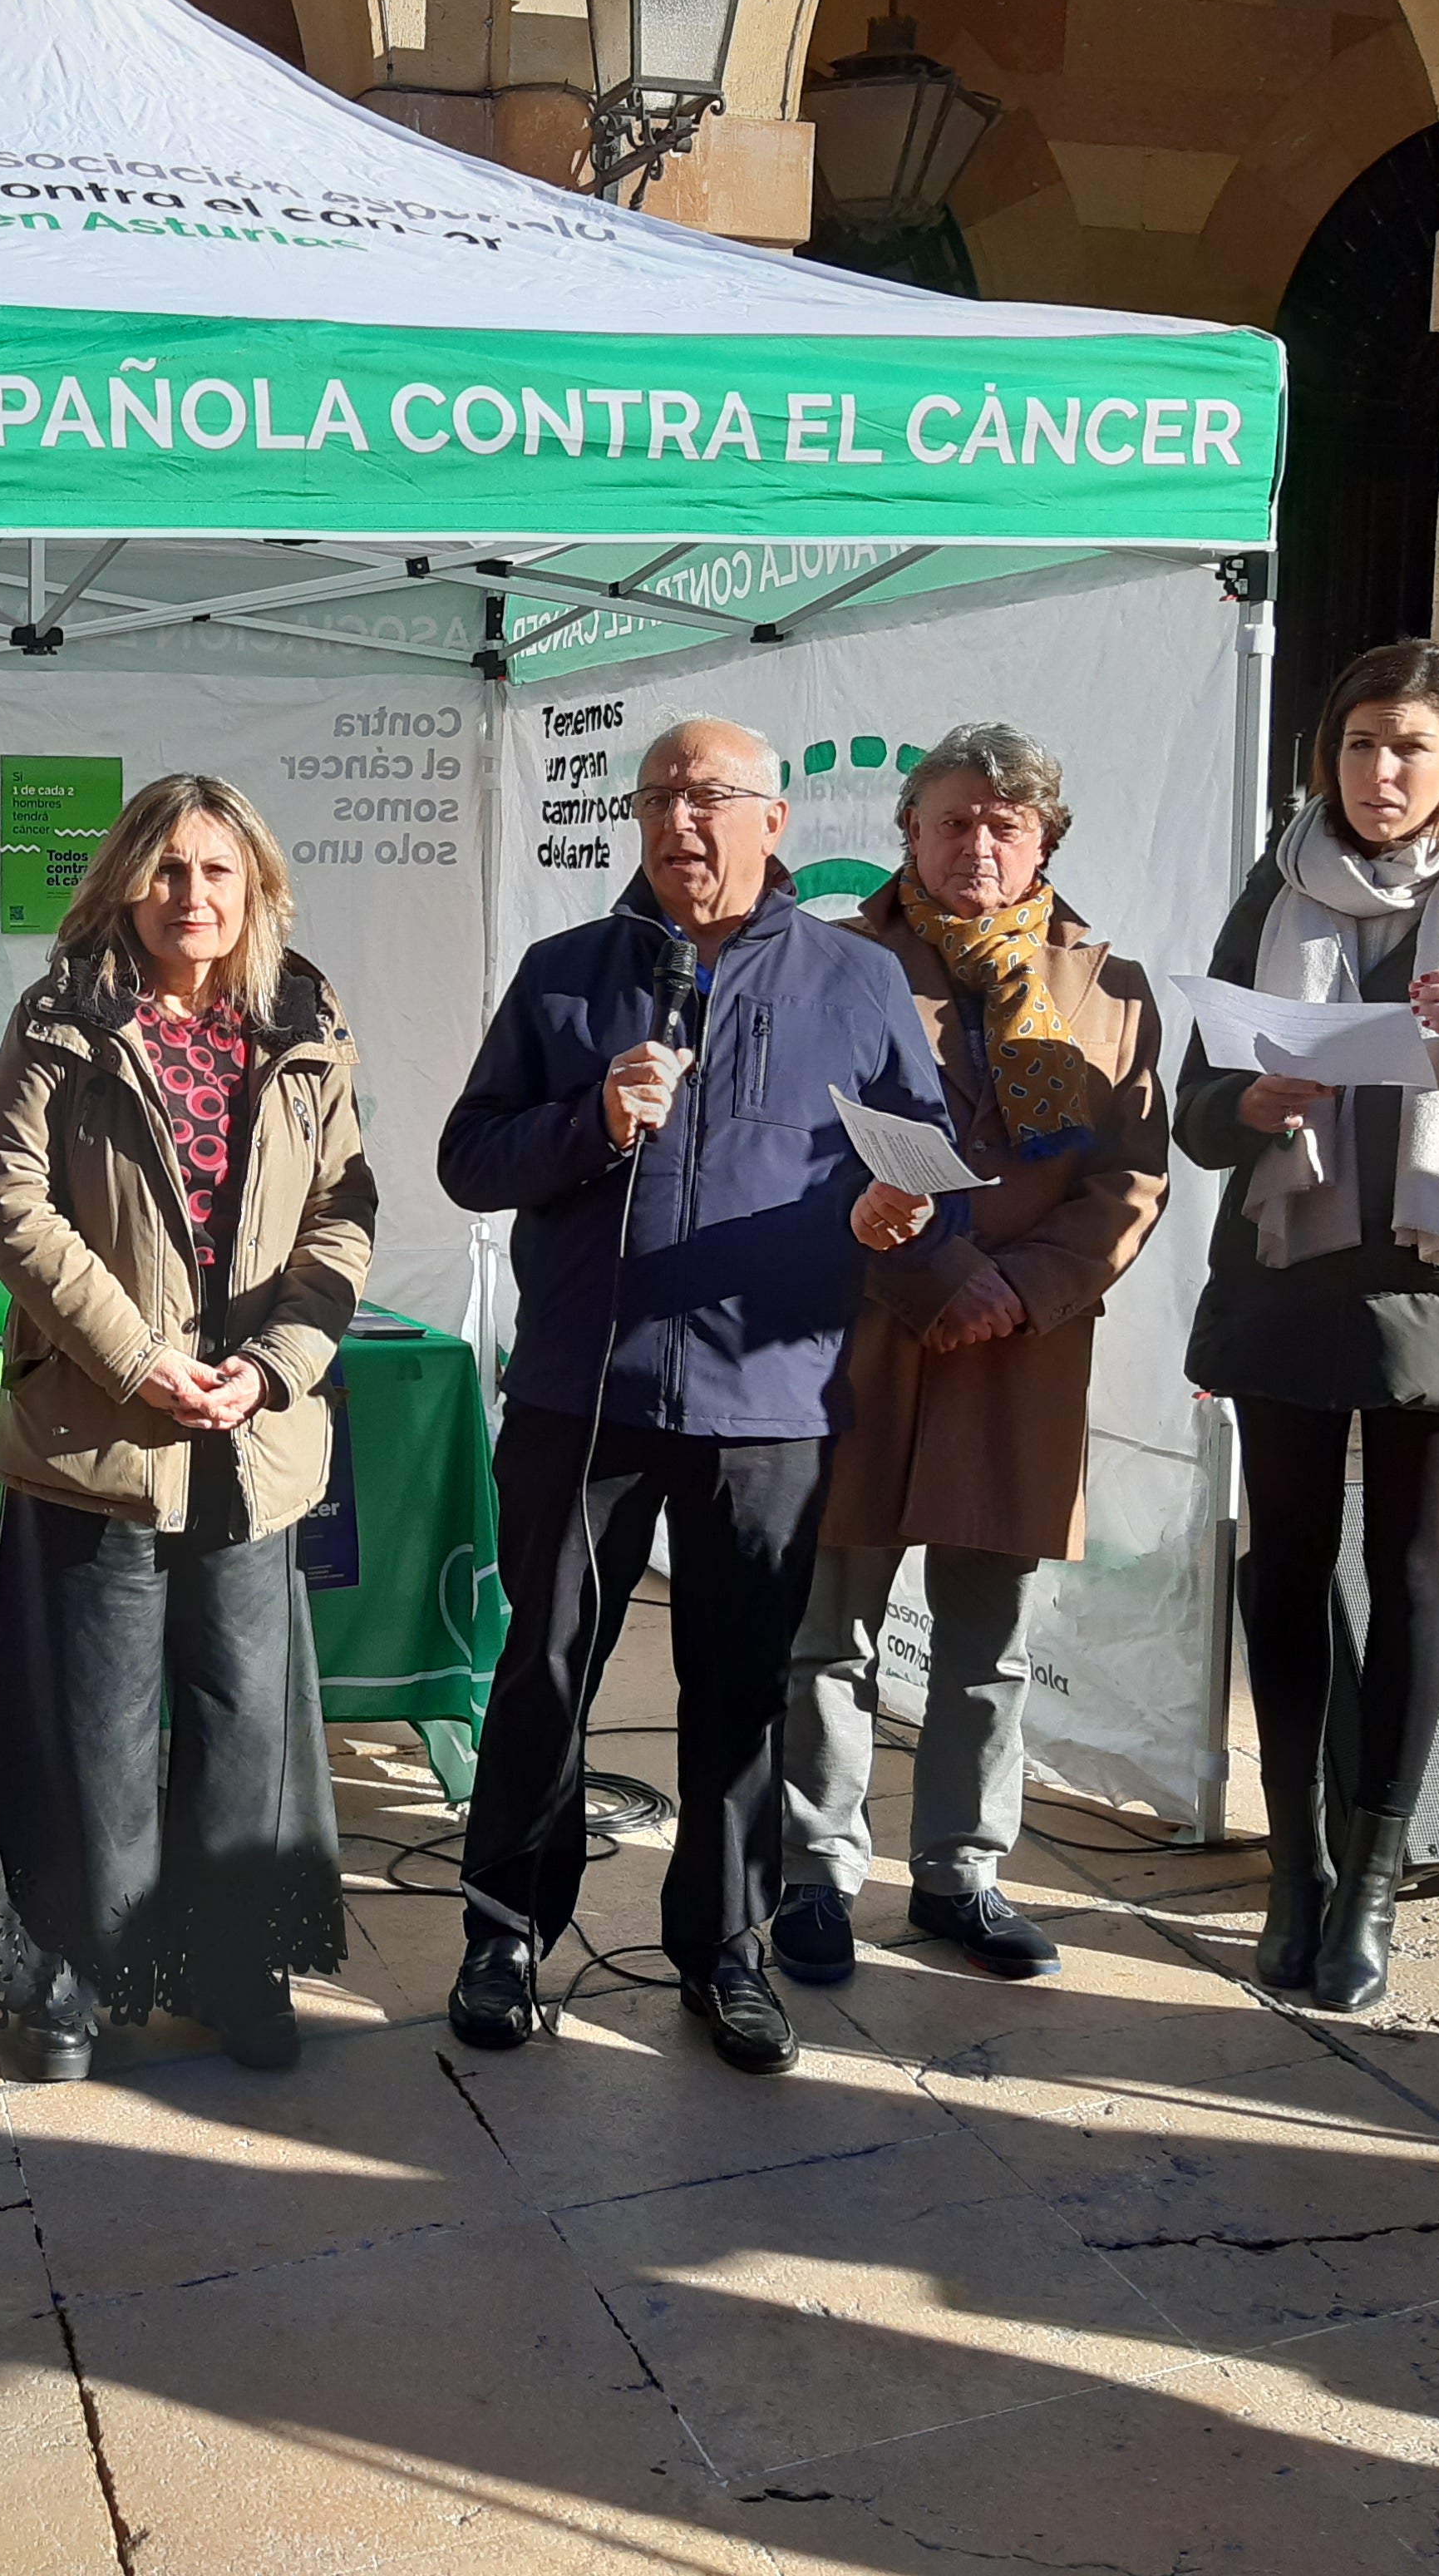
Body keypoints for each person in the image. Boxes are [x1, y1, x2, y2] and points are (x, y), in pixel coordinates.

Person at [437, 717, 949, 2074]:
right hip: (579, 1388)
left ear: (771, 820)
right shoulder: (565, 977)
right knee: (545, 1657)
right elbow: (467, 1160)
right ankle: (503, 1932)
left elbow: (922, 1161)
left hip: (767, 1394)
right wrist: (586, 1124)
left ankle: (722, 1951)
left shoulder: (857, 979)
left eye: (710, 796)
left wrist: (899, 1219)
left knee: (736, 1685)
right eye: (659, 794)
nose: (680, 820)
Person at [1176, 640, 1439, 2016]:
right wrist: (1246, 1106)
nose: (1376, 774)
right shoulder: (1275, 878)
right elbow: (1193, 1110)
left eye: (1406, 747)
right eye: (1357, 745)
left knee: (1409, 1573)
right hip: (1285, 1277)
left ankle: (1368, 1881)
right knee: (1284, 1571)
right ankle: (1293, 1864)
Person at [0, 776, 376, 2081]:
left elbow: (344, 1217)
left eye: (217, 871)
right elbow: (10, 1207)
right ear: (127, 880)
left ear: (255, 884)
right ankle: (77, 1980)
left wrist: (274, 1365)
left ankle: (231, 1967)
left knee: (246, 1716)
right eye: (167, 870)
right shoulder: (62, 1017)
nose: (192, 896)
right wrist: (138, 1361)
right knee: (94, 1726)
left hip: (250, 1434)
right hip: (103, 1431)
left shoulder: (307, 1019)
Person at [777, 725, 1167, 1988]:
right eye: (953, 821)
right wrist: (938, 1275)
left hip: (1022, 1355)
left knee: (986, 1637)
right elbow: (796, 1150)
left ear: (1046, 839)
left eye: (1006, 824)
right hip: (864, 1338)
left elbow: (1130, 1177)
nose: (978, 845)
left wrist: (1024, 1290)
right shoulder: (833, 965)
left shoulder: (1111, 989)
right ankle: (817, 1873)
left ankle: (960, 1873)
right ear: (909, 835)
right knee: (826, 1631)